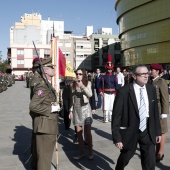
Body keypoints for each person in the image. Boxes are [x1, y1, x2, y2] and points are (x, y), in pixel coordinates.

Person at [112, 65, 162, 170]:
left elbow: (154, 112)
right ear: (134, 76)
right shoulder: (124, 91)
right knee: (125, 157)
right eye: (142, 74)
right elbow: (116, 116)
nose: (146, 76)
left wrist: (158, 131)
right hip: (131, 130)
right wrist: (117, 137)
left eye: (147, 73)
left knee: (149, 161)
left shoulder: (151, 89)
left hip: (147, 130)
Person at [29, 57, 59, 170]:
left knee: (44, 159)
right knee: (44, 162)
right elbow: (33, 106)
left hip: (48, 126)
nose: (53, 69)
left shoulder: (46, 84)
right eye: (51, 67)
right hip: (45, 127)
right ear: (45, 70)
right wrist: (50, 109)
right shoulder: (42, 86)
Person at [69, 69, 93, 160]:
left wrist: (82, 86)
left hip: (86, 110)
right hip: (77, 110)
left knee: (88, 133)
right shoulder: (73, 85)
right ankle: (82, 152)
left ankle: (91, 151)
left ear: (83, 75)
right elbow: (72, 100)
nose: (78, 75)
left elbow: (90, 95)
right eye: (77, 74)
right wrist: (70, 111)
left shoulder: (88, 83)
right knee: (79, 133)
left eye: (80, 74)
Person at [150, 64, 169, 162]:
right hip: (152, 110)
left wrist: (165, 112)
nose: (151, 71)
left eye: (152, 70)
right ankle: (156, 151)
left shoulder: (161, 82)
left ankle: (160, 153)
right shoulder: (151, 81)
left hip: (160, 110)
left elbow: (165, 98)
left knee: (162, 131)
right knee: (156, 132)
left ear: (157, 71)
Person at [99, 54, 118, 123]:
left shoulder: (114, 76)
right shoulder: (103, 77)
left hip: (112, 93)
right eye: (108, 69)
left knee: (112, 105)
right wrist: (101, 92)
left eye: (110, 69)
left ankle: (111, 118)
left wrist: (116, 93)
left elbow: (116, 86)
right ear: (106, 68)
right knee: (106, 106)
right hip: (105, 93)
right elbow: (99, 86)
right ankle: (106, 118)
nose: (109, 70)